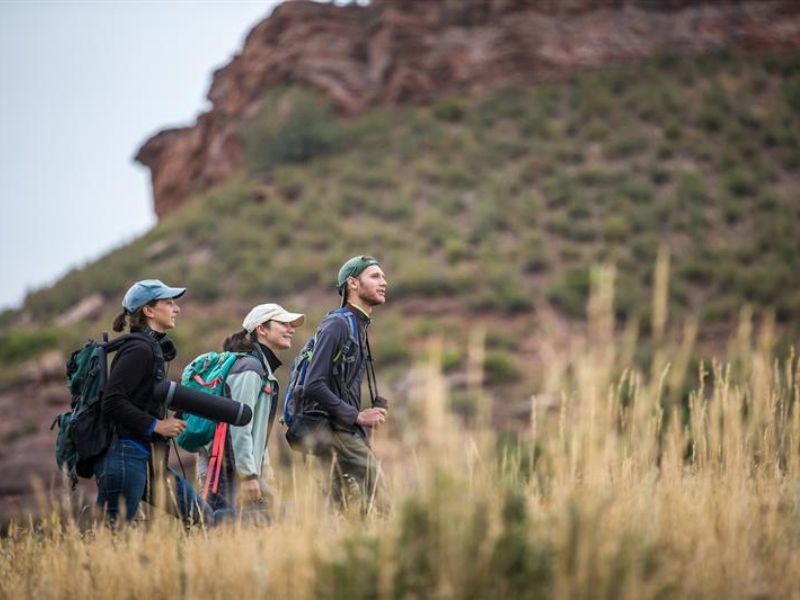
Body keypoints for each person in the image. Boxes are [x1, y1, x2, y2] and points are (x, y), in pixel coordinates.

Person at [96, 279, 213, 525]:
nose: (176, 309)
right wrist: (156, 425)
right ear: (148, 311)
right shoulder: (139, 350)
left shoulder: (149, 348)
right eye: (169, 303)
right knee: (113, 536)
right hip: (126, 456)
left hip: (147, 460)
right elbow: (112, 401)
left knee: (204, 519)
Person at [197, 303, 304, 518]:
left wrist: (263, 473)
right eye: (283, 323)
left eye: (291, 324)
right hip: (226, 471)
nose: (291, 328)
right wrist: (248, 475)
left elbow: (256, 430)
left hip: (236, 469)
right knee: (222, 527)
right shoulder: (249, 369)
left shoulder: (259, 369)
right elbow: (239, 426)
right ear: (261, 329)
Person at [303, 255, 389, 514]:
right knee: (378, 491)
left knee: (344, 507)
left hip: (342, 427)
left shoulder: (356, 325)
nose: (384, 282)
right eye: (375, 276)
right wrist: (357, 416)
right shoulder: (337, 325)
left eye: (383, 277)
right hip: (333, 428)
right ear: (352, 283)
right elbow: (313, 384)